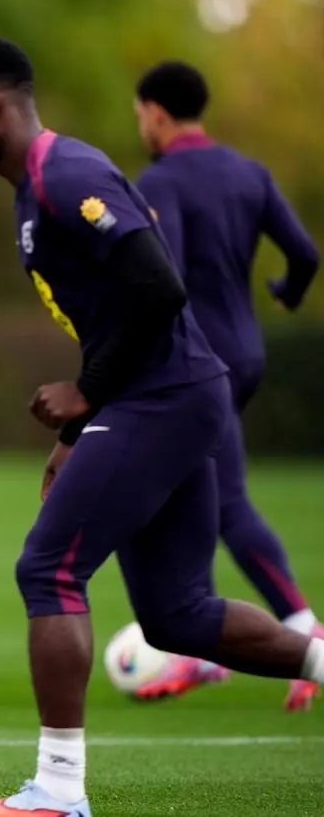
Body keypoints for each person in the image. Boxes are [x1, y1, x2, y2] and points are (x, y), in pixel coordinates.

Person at [0, 36, 324, 817]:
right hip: (165, 398)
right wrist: (77, 431)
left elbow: (159, 286)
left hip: (167, 397)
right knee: (176, 614)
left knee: (47, 569)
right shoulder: (30, 188)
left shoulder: (64, 173)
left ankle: (58, 793)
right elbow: (118, 311)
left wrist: (89, 392)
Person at [131, 59, 321, 710]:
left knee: (228, 502)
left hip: (198, 363)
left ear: (155, 111)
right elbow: (306, 254)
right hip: (247, 349)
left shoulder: (160, 179)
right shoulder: (248, 172)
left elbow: (166, 276)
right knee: (194, 497)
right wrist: (285, 294)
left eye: (139, 115)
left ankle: (305, 632)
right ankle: (205, 651)